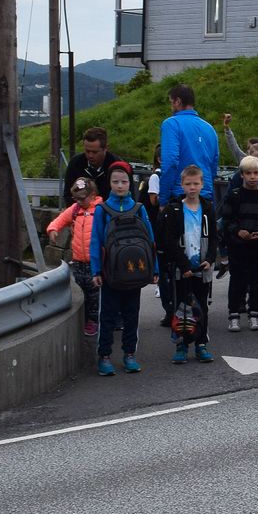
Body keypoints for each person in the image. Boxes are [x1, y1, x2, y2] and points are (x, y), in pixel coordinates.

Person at [87, 161, 157, 376]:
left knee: (131, 316)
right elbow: (95, 241)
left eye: (124, 182)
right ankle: (104, 356)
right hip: (110, 274)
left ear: (130, 183)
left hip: (134, 273)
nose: (120, 186)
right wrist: (96, 271)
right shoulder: (102, 209)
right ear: (109, 183)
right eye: (115, 181)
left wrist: (154, 269)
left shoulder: (139, 208)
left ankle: (129, 354)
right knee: (107, 317)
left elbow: (150, 241)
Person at [156, 163, 218, 363]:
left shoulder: (207, 208)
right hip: (182, 268)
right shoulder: (175, 209)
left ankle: (201, 343)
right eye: (188, 184)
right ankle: (181, 345)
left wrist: (210, 259)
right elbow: (169, 240)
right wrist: (183, 265)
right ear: (182, 185)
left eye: (196, 184)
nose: (192, 188)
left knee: (202, 307)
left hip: (202, 266)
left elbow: (214, 237)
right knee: (181, 307)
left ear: (202, 185)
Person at [219, 156, 258, 331]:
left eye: (256, 173)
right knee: (237, 280)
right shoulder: (234, 195)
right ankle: (233, 314)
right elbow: (226, 219)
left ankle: (254, 314)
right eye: (248, 173)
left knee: (255, 280)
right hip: (237, 245)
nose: (252, 177)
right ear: (242, 175)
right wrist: (237, 231)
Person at [46, 177, 101, 336]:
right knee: (80, 289)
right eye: (76, 198)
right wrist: (53, 229)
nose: (79, 201)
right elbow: (61, 219)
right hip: (78, 260)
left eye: (82, 198)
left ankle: (93, 320)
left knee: (94, 293)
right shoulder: (75, 209)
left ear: (93, 195)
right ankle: (83, 318)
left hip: (95, 261)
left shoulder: (100, 210)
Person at [159, 83, 221, 204]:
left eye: (171, 102)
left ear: (178, 101)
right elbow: (214, 164)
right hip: (205, 195)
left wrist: (163, 199)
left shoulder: (171, 124)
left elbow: (170, 162)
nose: (171, 107)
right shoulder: (209, 128)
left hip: (180, 195)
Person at [61, 127, 121, 203]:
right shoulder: (75, 163)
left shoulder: (117, 166)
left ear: (105, 148)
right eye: (87, 151)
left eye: (95, 152)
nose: (90, 155)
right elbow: (68, 194)